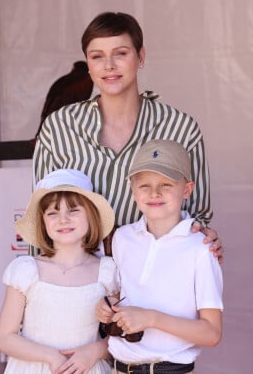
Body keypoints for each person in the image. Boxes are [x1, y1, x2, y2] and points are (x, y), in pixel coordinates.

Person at [32, 12, 223, 260]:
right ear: (87, 64)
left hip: (154, 278)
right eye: (97, 56)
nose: (109, 65)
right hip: (78, 283)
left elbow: (196, 218)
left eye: (120, 53)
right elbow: (41, 223)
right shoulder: (58, 128)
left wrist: (206, 238)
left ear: (140, 56)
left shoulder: (181, 129)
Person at [96, 140, 223, 374]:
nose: (154, 193)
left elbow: (212, 333)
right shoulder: (121, 239)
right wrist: (105, 309)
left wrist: (152, 319)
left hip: (170, 369)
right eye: (144, 185)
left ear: (187, 190)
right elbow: (115, 296)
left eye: (166, 184)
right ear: (133, 191)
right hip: (117, 368)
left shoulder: (202, 248)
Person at [0, 169, 119, 374]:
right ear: (43, 222)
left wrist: (95, 351)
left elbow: (120, 334)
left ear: (91, 217)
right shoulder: (27, 271)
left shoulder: (106, 272)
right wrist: (50, 356)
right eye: (53, 213)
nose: (63, 219)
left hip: (87, 368)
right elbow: (5, 338)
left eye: (73, 211)